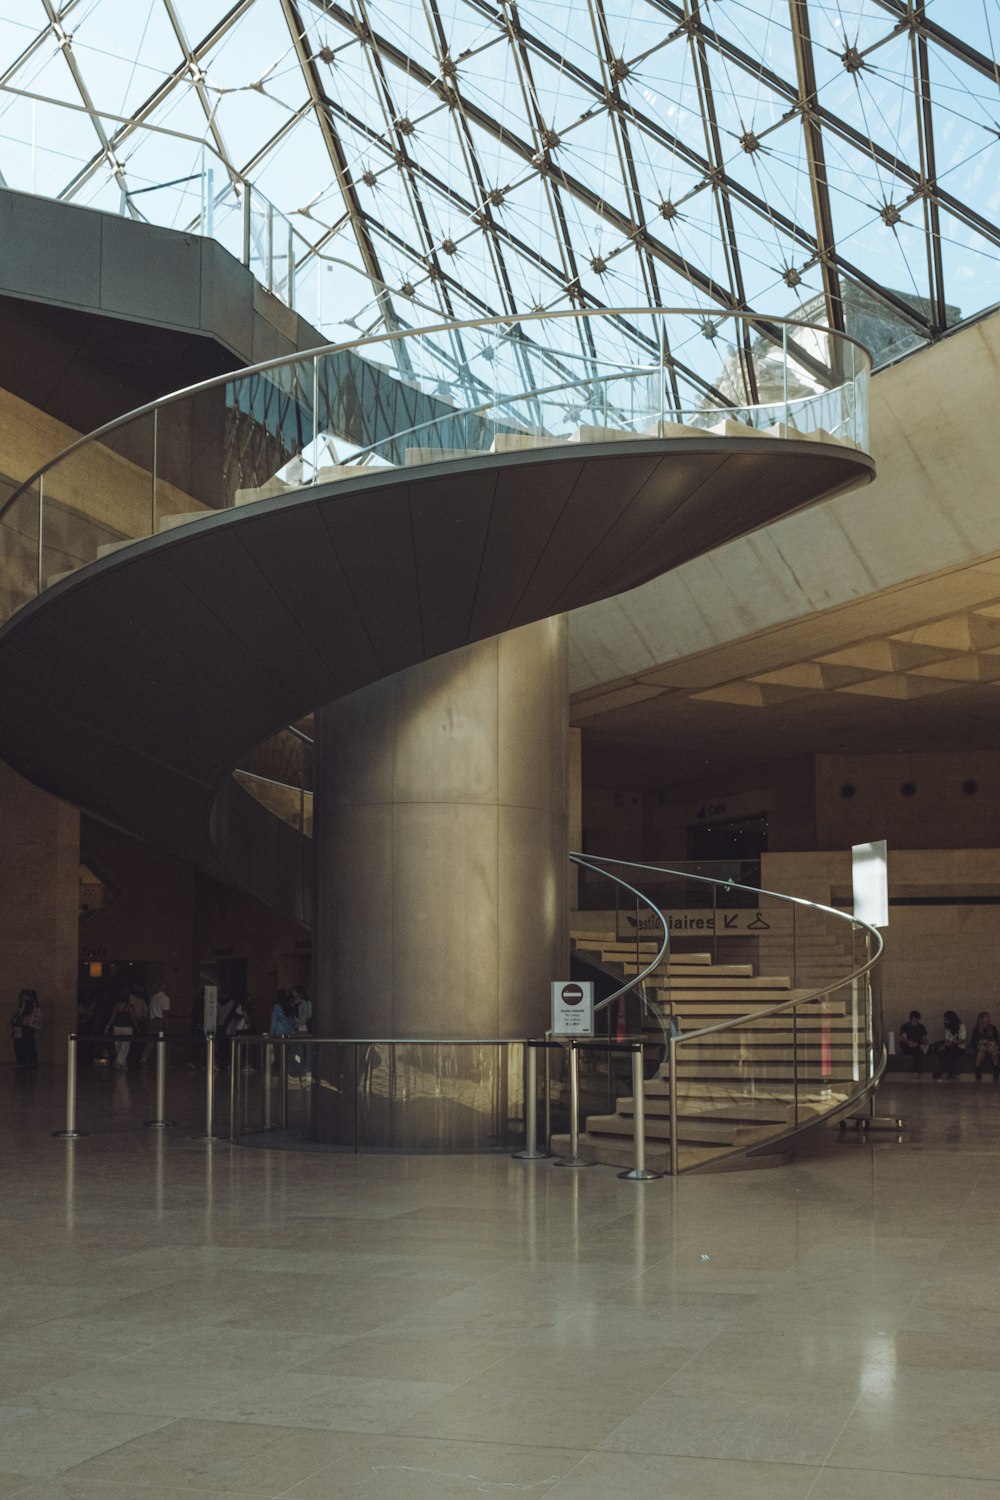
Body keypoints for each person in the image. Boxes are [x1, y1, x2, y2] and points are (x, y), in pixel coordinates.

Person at [931, 1010, 967, 1080]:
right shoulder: (947, 1027)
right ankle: (943, 1071)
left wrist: (952, 1043)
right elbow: (947, 1039)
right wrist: (944, 1046)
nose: (944, 1021)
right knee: (940, 1051)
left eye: (946, 1019)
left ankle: (948, 1071)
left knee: (950, 1053)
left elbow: (963, 1040)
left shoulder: (961, 1026)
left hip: (960, 1046)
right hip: (950, 1045)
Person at [11, 989, 41, 1069]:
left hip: (26, 1026)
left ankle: (26, 1062)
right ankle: (31, 1062)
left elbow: (23, 1016)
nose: (22, 998)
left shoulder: (29, 1004)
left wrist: (16, 1020)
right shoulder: (32, 1004)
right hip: (29, 1027)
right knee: (29, 1044)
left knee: (25, 1044)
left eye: (24, 996)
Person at [106, 995, 135, 1071]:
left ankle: (121, 1064)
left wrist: (108, 1026)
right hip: (127, 1027)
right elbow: (133, 1017)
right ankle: (118, 1062)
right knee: (125, 1046)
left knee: (118, 1046)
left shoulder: (116, 1005)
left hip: (116, 1026)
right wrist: (136, 1026)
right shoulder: (130, 1006)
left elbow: (113, 1016)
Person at [971, 1011, 1000, 1082]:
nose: (989, 1018)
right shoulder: (977, 1029)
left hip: (991, 1046)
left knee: (993, 1050)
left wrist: (992, 1044)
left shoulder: (993, 1028)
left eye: (988, 1017)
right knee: (982, 1050)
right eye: (986, 1017)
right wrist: (980, 1044)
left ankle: (996, 1069)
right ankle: (977, 1068)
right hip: (981, 1046)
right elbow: (974, 1041)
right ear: (981, 1019)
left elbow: (997, 1040)